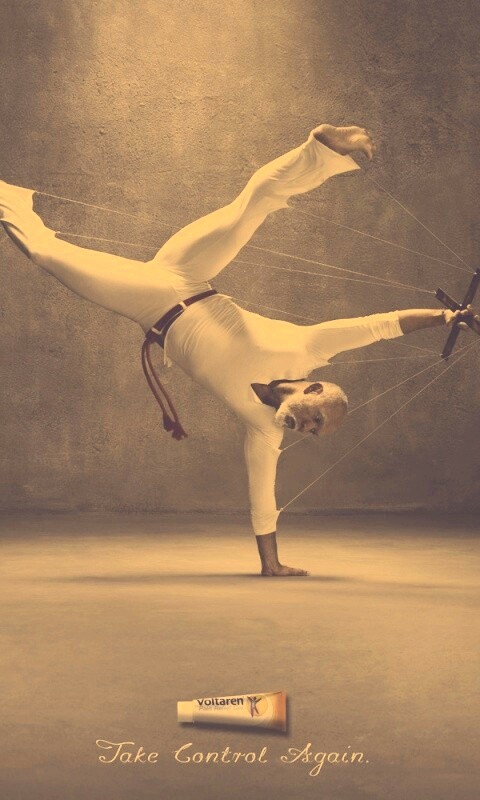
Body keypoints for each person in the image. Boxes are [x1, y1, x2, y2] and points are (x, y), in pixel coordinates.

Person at [1, 124, 479, 576]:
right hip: (190, 275)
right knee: (251, 205)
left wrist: (271, 564)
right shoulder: (308, 347)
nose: (308, 430)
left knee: (44, 254)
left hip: (152, 304)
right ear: (314, 389)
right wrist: (445, 317)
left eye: (315, 432)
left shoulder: (264, 428)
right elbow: (380, 326)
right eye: (316, 420)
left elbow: (263, 498)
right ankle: (322, 147)